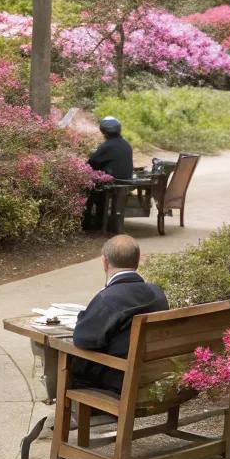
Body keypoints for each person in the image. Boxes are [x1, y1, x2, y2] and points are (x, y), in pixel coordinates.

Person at [71, 233, 169, 392]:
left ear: (105, 262)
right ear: (137, 261)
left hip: (118, 382)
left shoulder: (107, 299)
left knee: (65, 359)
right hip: (152, 377)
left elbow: (82, 340)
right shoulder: (157, 293)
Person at [83, 117, 135, 230]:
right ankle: (99, 220)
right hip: (126, 181)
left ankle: (88, 223)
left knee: (89, 191)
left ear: (104, 132)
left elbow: (91, 163)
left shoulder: (107, 146)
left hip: (113, 183)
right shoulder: (126, 145)